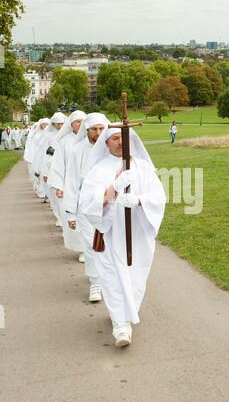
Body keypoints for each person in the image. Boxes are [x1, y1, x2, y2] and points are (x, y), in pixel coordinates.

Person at [79, 126, 166, 347]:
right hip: (110, 234)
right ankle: (121, 326)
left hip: (137, 234)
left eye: (123, 138)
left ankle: (126, 313)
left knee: (135, 277)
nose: (119, 142)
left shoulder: (143, 167)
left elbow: (158, 196)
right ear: (106, 143)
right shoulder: (98, 170)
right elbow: (87, 204)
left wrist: (139, 201)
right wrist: (112, 191)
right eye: (115, 138)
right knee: (113, 277)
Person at [63, 113, 110, 302]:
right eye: (94, 129)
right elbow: (72, 182)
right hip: (85, 206)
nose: (98, 133)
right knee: (92, 246)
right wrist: (70, 214)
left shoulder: (112, 147)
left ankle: (110, 281)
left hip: (110, 205)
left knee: (111, 246)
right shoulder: (78, 151)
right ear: (87, 130)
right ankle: (95, 283)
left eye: (101, 129)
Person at [47, 110, 86, 261]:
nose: (80, 124)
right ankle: (81, 249)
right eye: (77, 122)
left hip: (88, 187)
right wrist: (59, 187)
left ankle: (93, 248)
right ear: (71, 124)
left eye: (83, 121)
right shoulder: (64, 142)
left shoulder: (90, 140)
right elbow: (57, 166)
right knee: (73, 218)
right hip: (69, 186)